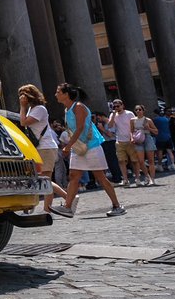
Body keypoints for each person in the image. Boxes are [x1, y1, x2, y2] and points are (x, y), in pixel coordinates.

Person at [49, 83, 125, 218]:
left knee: (100, 178)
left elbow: (80, 128)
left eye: (58, 92)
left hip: (91, 146)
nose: (55, 95)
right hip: (79, 148)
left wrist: (68, 146)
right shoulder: (67, 110)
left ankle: (117, 206)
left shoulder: (78, 107)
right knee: (73, 176)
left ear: (66, 94)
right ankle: (68, 207)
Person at [18, 84, 67, 213]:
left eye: (23, 96)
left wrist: (22, 107)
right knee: (41, 180)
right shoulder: (32, 109)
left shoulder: (39, 109)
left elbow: (23, 122)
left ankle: (68, 198)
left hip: (46, 147)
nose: (22, 98)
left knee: (45, 180)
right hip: (40, 148)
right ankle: (47, 208)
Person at [106, 99, 142, 187]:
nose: (117, 108)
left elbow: (135, 124)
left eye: (118, 106)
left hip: (130, 140)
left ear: (122, 105)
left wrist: (133, 136)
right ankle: (125, 179)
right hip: (119, 141)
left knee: (134, 160)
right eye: (115, 106)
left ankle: (137, 178)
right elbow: (110, 126)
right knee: (121, 161)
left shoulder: (129, 114)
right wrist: (114, 114)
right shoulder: (113, 115)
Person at [130, 105, 159, 185]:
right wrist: (132, 138)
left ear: (143, 110)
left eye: (140, 109)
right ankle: (147, 176)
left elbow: (156, 131)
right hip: (138, 139)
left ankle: (152, 179)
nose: (138, 111)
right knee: (141, 161)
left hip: (147, 138)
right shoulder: (132, 120)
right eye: (136, 110)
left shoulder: (148, 120)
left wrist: (148, 128)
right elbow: (131, 130)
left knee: (151, 160)